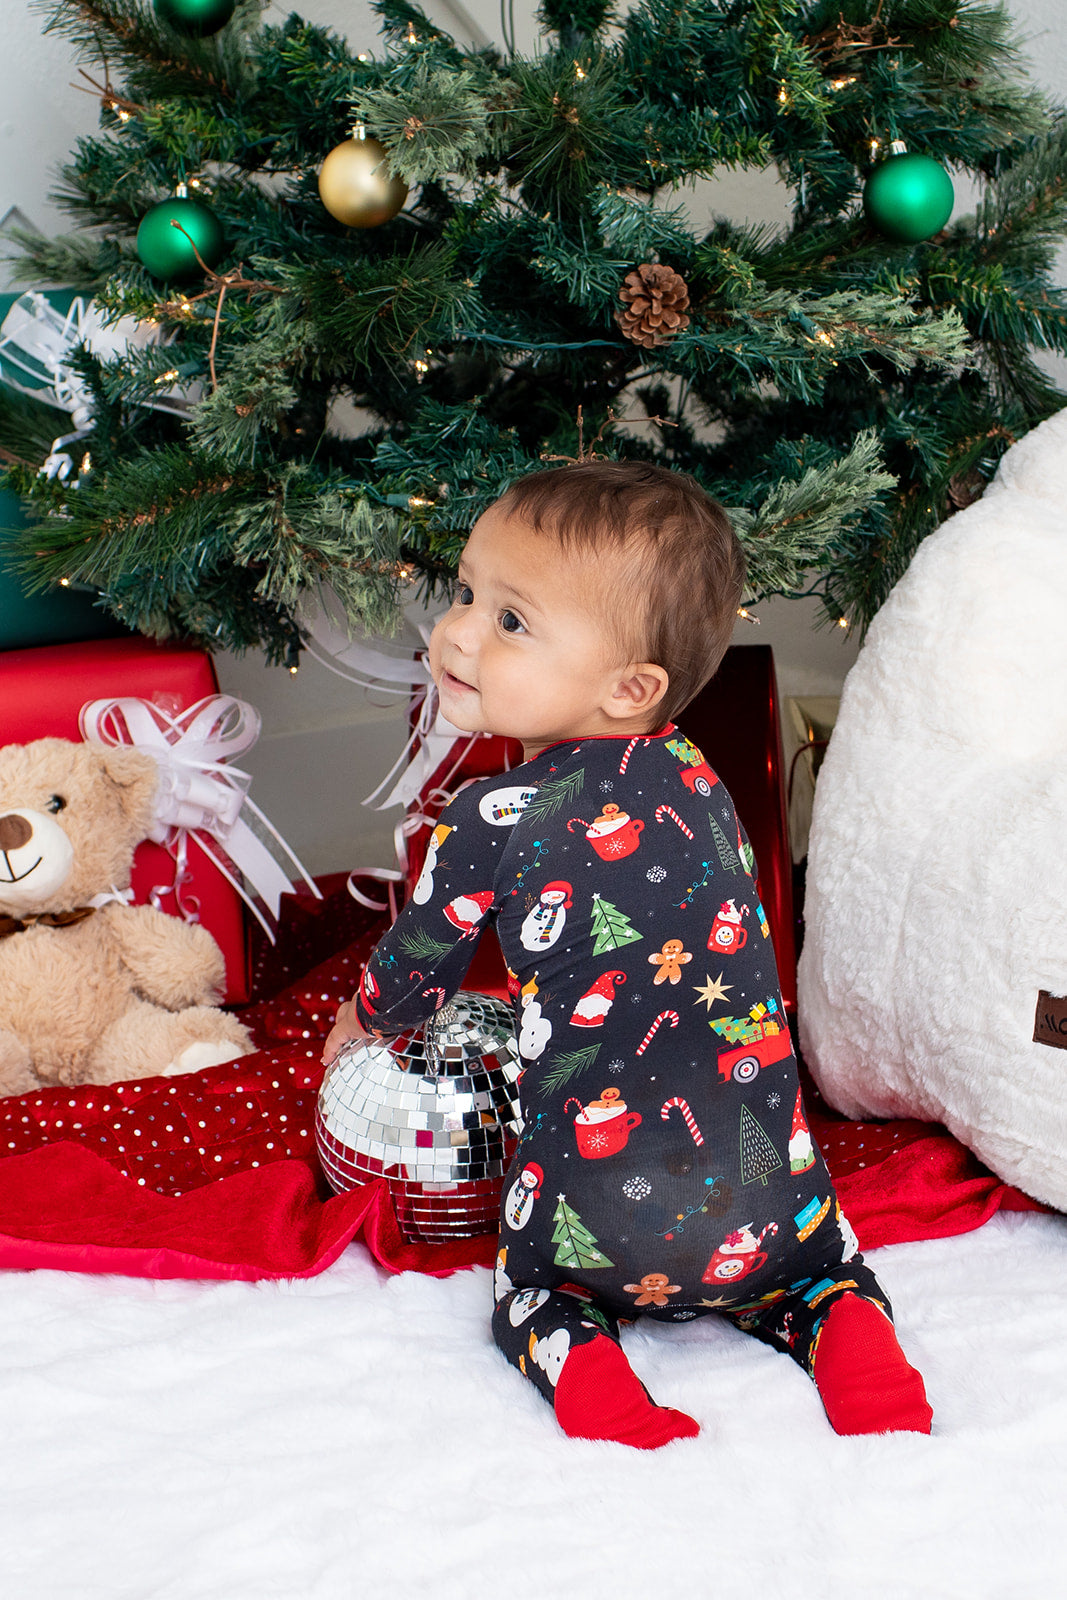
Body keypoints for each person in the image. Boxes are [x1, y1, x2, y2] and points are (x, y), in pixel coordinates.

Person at [323, 460, 933, 1450]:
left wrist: (358, 1027)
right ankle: (847, 1332)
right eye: (468, 591)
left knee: (530, 1292)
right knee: (823, 1268)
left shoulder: (488, 813)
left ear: (627, 687)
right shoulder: (698, 776)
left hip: (591, 1215)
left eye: (511, 621)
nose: (458, 631)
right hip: (764, 1197)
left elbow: (413, 967)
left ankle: (590, 1373)